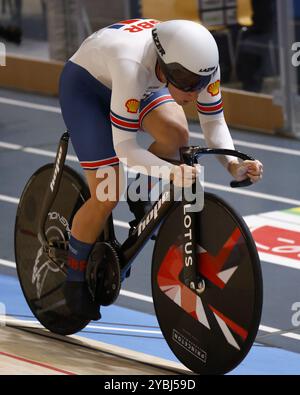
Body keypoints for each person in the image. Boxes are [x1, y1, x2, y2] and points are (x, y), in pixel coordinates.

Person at [59, 18, 263, 321]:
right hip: (87, 87)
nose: (194, 93)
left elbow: (213, 121)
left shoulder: (201, 67)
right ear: (166, 66)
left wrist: (233, 164)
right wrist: (169, 173)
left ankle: (141, 194)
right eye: (186, 82)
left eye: (200, 83)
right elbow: (125, 148)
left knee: (177, 135)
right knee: (107, 192)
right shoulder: (134, 66)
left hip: (137, 83)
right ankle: (72, 280)